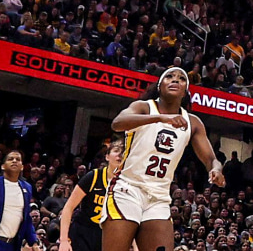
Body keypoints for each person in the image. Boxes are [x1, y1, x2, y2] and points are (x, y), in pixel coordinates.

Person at [103, 67, 225, 251]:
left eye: (181, 78)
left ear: (185, 91)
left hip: (159, 196)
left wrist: (216, 169)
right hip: (127, 188)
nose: (175, 80)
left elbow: (211, 159)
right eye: (169, 77)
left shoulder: (192, 122)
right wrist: (160, 118)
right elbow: (117, 123)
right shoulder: (143, 107)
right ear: (160, 86)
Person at [59, 143, 123, 251]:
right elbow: (68, 207)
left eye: (123, 152)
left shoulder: (127, 184)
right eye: (116, 151)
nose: (120, 155)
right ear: (107, 156)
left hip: (106, 235)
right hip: (82, 231)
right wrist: (64, 240)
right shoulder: (93, 176)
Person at [0, 150, 41, 251]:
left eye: (18, 159)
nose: (14, 161)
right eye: (10, 159)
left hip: (12, 245)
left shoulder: (27, 188)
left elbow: (26, 218)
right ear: (3, 166)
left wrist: (34, 242)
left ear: (22, 167)